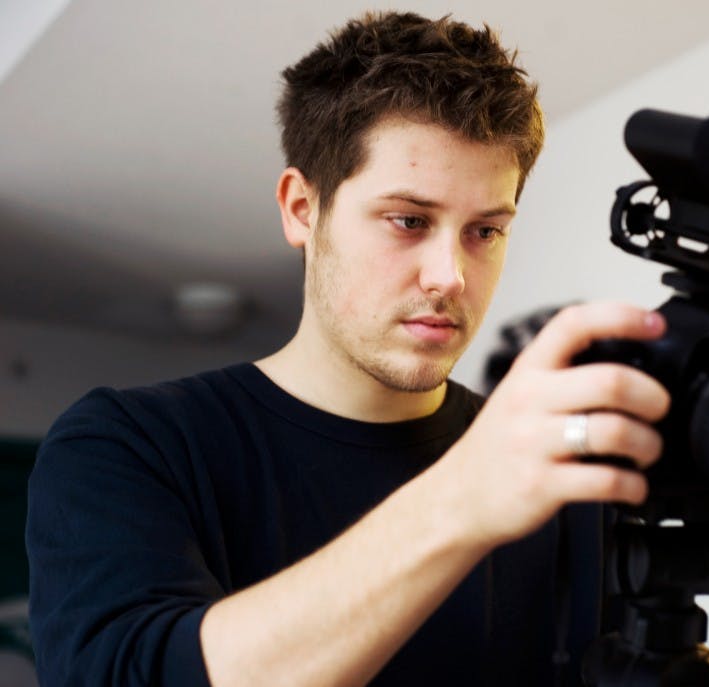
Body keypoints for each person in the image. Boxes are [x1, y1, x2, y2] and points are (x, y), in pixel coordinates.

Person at [26, 11, 670, 687]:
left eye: (484, 231)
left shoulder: (556, 467)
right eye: (408, 220)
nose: (450, 274)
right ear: (302, 208)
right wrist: (460, 501)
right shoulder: (127, 445)